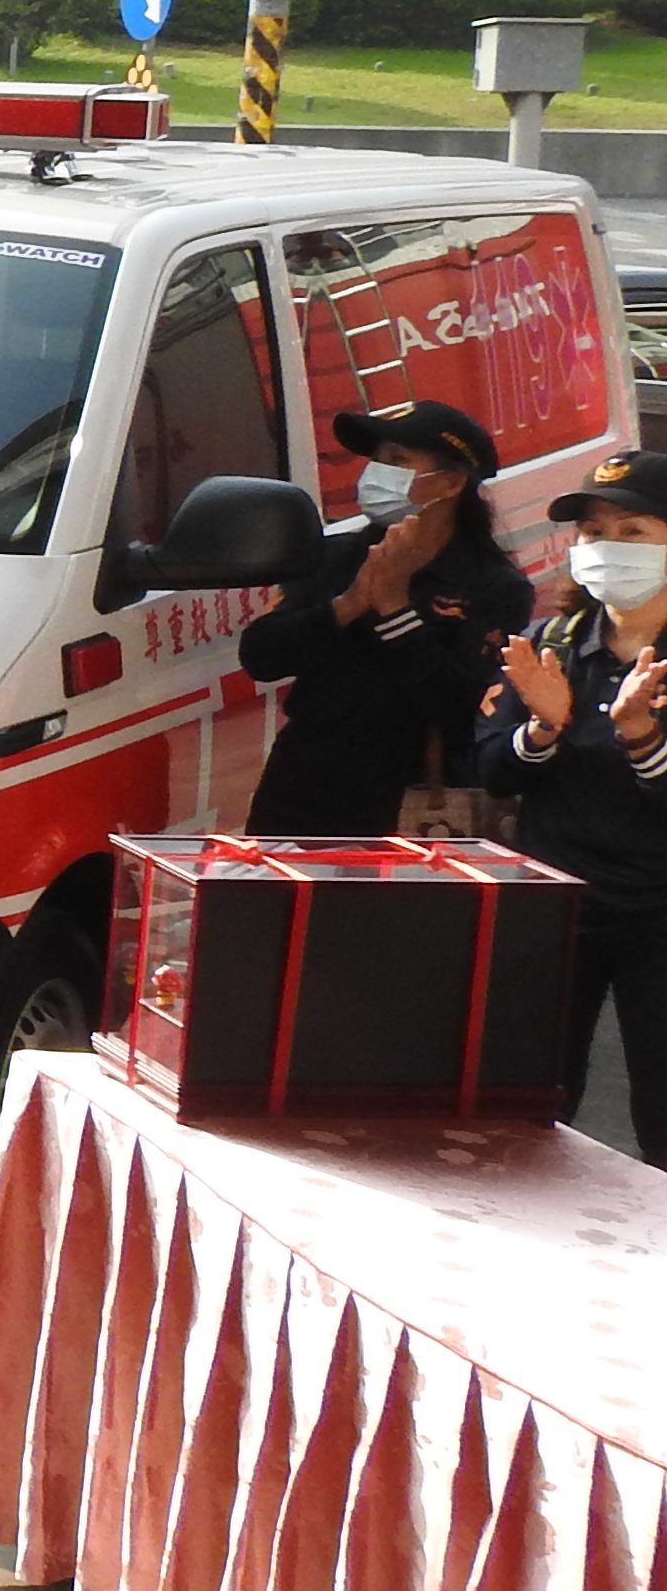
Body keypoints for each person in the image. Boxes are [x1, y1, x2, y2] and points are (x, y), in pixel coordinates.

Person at [483, 448, 667, 1158]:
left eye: (632, 532)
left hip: (656, 907)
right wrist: (542, 728)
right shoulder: (550, 645)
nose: (607, 548)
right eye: (593, 532)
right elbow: (492, 772)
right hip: (558, 901)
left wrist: (642, 736)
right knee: (528, 1101)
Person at [241, 400, 526, 836]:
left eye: (397, 460)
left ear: (451, 482)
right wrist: (349, 605)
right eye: (376, 459)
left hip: (413, 801)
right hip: (304, 782)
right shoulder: (336, 555)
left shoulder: (494, 585)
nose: (377, 472)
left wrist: (396, 610)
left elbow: (463, 705)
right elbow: (261, 655)